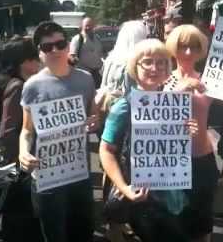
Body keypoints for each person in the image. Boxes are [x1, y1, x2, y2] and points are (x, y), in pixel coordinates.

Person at [99, 39, 199, 242]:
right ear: (135, 67)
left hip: (171, 192)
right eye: (148, 62)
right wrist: (124, 188)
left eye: (161, 62)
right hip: (141, 195)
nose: (155, 68)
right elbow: (106, 150)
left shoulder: (173, 104)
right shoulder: (124, 106)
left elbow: (172, 145)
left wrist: (187, 131)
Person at [19, 21, 100, 242]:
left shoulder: (85, 79)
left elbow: (93, 116)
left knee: (82, 233)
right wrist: (23, 153)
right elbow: (27, 130)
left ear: (67, 46)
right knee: (55, 235)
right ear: (40, 53)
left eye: (60, 44)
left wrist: (94, 121)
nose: (54, 50)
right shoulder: (32, 86)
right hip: (47, 176)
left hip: (79, 173)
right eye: (47, 47)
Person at [164, 25, 220, 242]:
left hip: (202, 158)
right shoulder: (163, 79)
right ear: (174, 47)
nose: (188, 52)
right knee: (174, 223)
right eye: (183, 46)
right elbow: (151, 114)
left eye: (194, 47)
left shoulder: (211, 80)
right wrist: (180, 88)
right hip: (170, 162)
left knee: (202, 222)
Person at [97, 20, 148, 242]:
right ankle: (118, 218)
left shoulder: (111, 58)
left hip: (110, 113)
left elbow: (104, 86)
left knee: (110, 162)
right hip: (128, 114)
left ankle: (114, 218)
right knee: (123, 162)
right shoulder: (133, 61)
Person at [0, 37, 42, 242]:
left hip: (14, 167)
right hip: (18, 169)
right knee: (21, 220)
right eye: (35, 57)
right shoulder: (18, 87)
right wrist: (20, 166)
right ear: (25, 62)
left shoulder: (9, 82)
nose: (39, 61)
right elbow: (8, 132)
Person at [69, 17, 103, 88]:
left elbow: (100, 53)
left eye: (90, 25)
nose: (88, 27)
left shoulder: (97, 38)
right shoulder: (77, 39)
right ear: (82, 26)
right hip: (83, 74)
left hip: (96, 73)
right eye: (86, 25)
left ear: (94, 26)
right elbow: (72, 56)